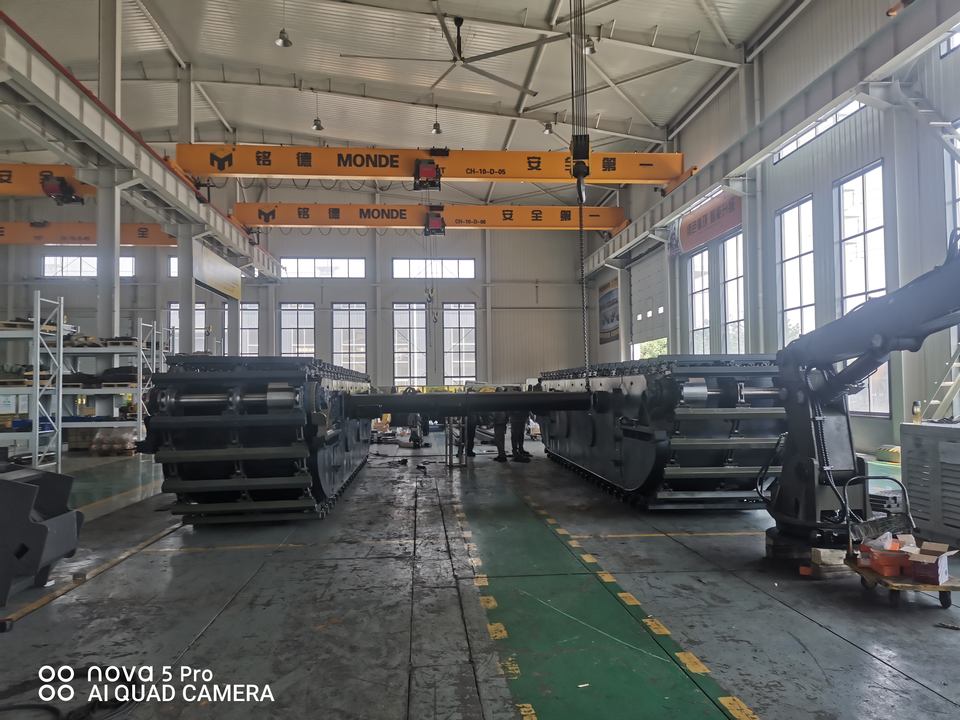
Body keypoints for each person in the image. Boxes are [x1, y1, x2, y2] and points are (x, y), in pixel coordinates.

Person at [492, 387, 508, 462]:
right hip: (502, 422)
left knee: (498, 439)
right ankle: (501, 454)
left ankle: (502, 456)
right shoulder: (504, 401)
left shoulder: (497, 401)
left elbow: (496, 413)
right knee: (501, 439)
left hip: (499, 422)